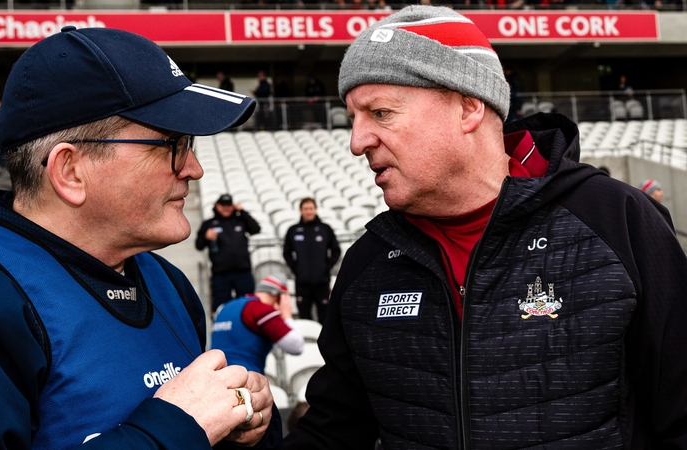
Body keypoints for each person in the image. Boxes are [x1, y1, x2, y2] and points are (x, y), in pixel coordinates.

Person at [284, 6, 687, 449]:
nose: (357, 142)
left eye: (380, 113)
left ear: (468, 108)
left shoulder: (618, 222)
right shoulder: (368, 263)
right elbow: (331, 434)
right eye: (354, 119)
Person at [0, 26, 282, 449]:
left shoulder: (166, 281)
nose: (193, 169)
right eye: (172, 144)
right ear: (71, 171)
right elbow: (179, 428)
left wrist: (243, 429)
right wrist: (171, 430)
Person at [211, 274, 304, 374]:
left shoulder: (223, 308)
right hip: (245, 377)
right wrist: (286, 314)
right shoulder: (260, 309)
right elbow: (296, 346)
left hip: (216, 375)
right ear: (280, 297)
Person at [196, 194, 261, 312]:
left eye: (229, 205)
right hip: (221, 274)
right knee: (221, 307)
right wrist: (205, 237)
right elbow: (198, 245)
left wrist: (242, 211)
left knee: (249, 306)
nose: (226, 208)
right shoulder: (209, 223)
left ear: (233, 206)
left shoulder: (241, 220)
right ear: (217, 206)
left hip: (243, 272)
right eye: (223, 205)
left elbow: (256, 229)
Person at [282, 198, 341, 322]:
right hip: (302, 283)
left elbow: (336, 251)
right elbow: (286, 253)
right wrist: (297, 269)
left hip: (322, 282)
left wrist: (326, 267)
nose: (308, 212)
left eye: (311, 208)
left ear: (315, 210)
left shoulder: (325, 229)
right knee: (305, 318)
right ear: (300, 211)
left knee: (325, 318)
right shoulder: (293, 230)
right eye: (305, 209)